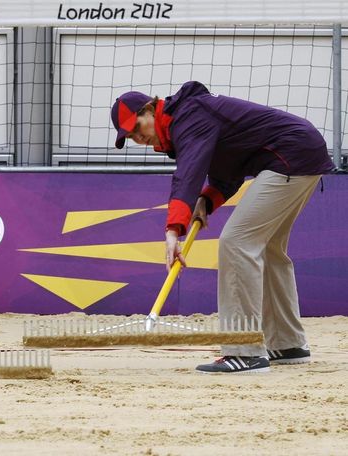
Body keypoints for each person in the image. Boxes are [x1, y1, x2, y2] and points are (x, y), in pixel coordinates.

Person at [110, 81, 334, 373]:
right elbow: (227, 176)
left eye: (137, 126)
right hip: (301, 153)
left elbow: (188, 174)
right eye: (130, 136)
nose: (138, 137)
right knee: (267, 249)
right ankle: (287, 344)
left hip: (289, 157)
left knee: (236, 242)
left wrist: (173, 230)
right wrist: (206, 203)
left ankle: (244, 351)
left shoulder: (188, 116)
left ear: (150, 109)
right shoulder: (191, 120)